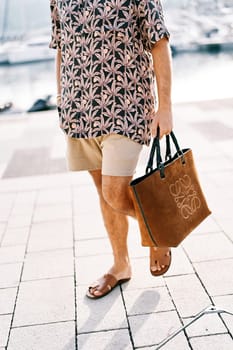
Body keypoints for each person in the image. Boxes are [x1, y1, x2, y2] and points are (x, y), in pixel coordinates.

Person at [49, 0, 173, 299]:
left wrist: (165, 107)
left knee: (115, 192)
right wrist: (62, 99)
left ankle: (157, 230)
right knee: (104, 192)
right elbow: (62, 49)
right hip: (79, 112)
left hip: (126, 108)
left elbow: (159, 42)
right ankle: (121, 265)